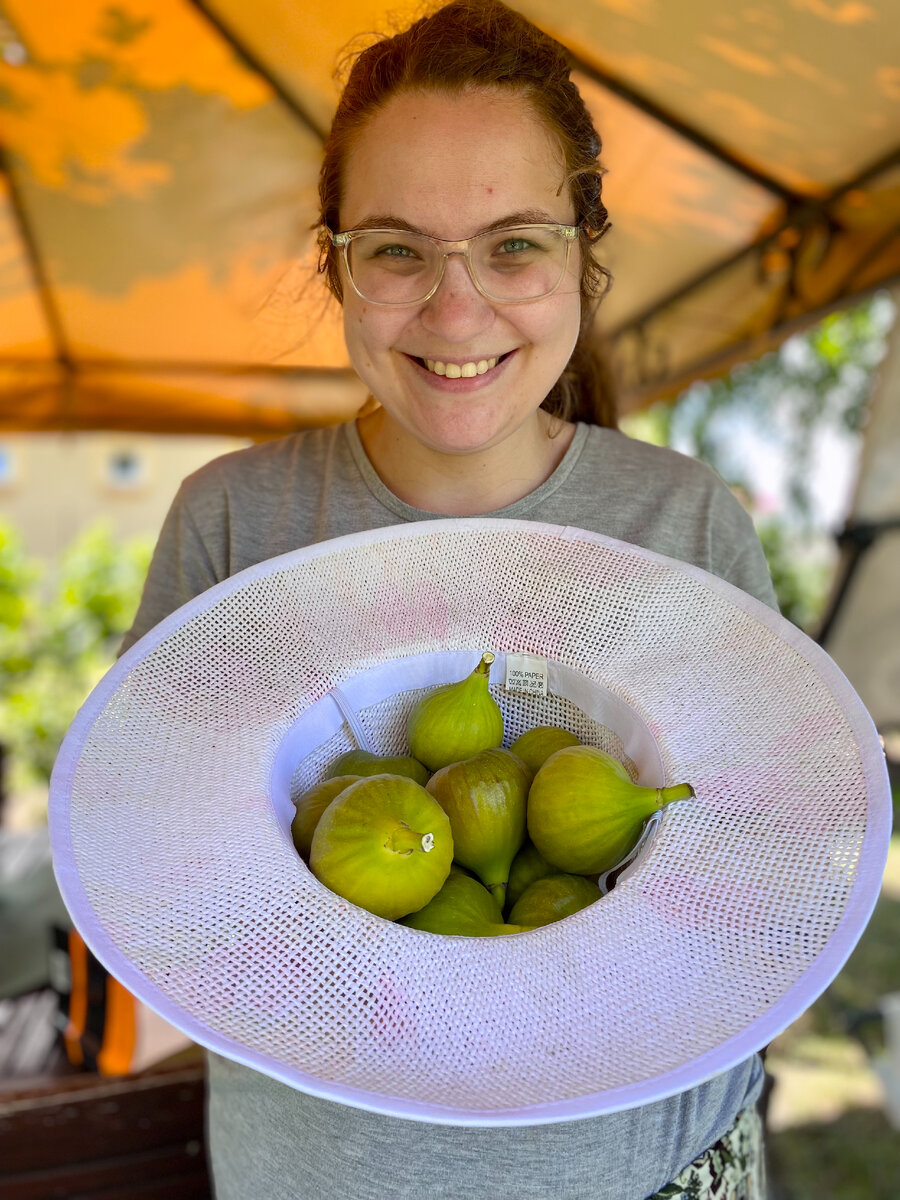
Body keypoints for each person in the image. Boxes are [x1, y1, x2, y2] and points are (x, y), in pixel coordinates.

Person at [122, 3, 775, 1196]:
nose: (457, 310)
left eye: (513, 245)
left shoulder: (684, 525)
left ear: (582, 253)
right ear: (335, 264)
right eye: (397, 250)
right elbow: (152, 876)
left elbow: (761, 890)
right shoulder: (232, 525)